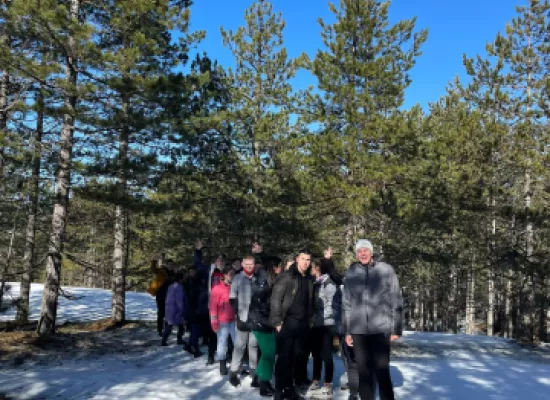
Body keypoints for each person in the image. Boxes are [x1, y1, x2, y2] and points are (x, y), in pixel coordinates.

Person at [342, 239, 403, 400]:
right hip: (358, 331)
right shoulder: (351, 273)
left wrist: (396, 328)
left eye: (365, 250)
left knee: (382, 371)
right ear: (356, 254)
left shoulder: (385, 270)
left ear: (371, 251)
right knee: (364, 373)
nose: (362, 254)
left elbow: (396, 299)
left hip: (381, 329)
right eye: (359, 251)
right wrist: (347, 331)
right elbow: (346, 304)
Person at [270, 249, 315, 400]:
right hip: (287, 323)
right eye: (303, 259)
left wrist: (310, 321)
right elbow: (276, 299)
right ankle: (278, 392)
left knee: (295, 359)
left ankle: (290, 390)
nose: (306, 262)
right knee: (283, 359)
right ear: (297, 259)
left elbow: (310, 301)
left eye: (308, 260)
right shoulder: (287, 276)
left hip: (302, 325)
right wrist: (277, 322)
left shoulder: (309, 279)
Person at [248, 256, 282, 397]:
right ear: (274, 268)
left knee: (266, 352)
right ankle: (264, 384)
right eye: (279, 266)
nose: (281, 268)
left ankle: (257, 378)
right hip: (261, 322)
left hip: (260, 321)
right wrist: (272, 320)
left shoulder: (263, 278)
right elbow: (261, 305)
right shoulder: (265, 282)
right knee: (269, 353)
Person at [306, 258, 341, 398]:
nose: (311, 269)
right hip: (316, 324)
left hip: (327, 324)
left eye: (312, 267)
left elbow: (334, 306)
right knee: (316, 354)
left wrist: (320, 315)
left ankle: (328, 384)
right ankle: (315, 380)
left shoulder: (329, 284)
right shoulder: (316, 283)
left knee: (326, 355)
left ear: (318, 268)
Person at [228, 253, 260, 387]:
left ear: (254, 264)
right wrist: (238, 313)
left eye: (251, 264)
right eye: (246, 264)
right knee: (239, 346)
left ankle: (254, 372)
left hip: (256, 318)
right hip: (243, 317)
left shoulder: (258, 277)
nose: (249, 266)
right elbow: (232, 297)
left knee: (253, 345)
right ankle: (233, 372)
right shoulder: (237, 278)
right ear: (242, 264)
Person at [193, 239, 226, 365]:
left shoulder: (227, 272)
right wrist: (198, 251)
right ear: (215, 261)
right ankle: (211, 355)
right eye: (218, 260)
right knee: (211, 331)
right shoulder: (209, 270)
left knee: (223, 332)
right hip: (210, 305)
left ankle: (224, 354)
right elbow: (197, 265)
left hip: (224, 307)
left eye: (222, 260)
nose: (220, 262)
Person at [210, 265, 236, 376]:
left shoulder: (236, 287)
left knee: (238, 343)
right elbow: (213, 307)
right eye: (230, 274)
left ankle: (237, 365)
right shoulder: (217, 289)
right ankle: (222, 364)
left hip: (235, 320)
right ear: (224, 275)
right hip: (222, 321)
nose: (232, 276)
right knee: (222, 343)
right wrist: (214, 322)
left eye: (234, 274)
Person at [147, 257, 173, 337]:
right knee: (161, 313)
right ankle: (160, 330)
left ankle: (167, 329)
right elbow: (153, 269)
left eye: (171, 264)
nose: (170, 266)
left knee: (168, 313)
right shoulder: (161, 271)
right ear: (166, 264)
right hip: (161, 295)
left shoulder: (173, 273)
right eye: (169, 264)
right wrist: (154, 261)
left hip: (170, 296)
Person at [162, 271, 188, 346]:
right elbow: (179, 299)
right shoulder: (179, 287)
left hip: (169, 308)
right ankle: (179, 339)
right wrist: (182, 310)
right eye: (183, 278)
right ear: (180, 279)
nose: (184, 279)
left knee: (169, 324)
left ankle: (164, 340)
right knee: (180, 325)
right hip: (176, 309)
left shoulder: (170, 286)